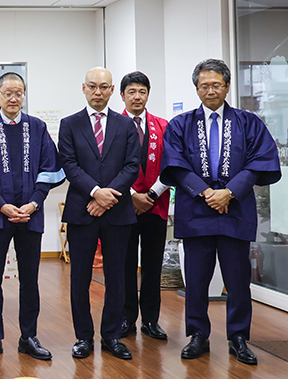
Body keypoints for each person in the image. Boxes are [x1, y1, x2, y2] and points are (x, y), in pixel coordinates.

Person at [160, 59, 280, 365]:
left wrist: (230, 192)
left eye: (216, 84)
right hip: (196, 210)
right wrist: (205, 192)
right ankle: (197, 334)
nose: (210, 90)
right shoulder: (181, 125)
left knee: (238, 280)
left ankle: (238, 337)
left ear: (227, 86)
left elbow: (260, 161)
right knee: (197, 281)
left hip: (235, 210)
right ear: (196, 88)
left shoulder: (248, 122)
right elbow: (174, 164)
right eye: (204, 85)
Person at [0, 72, 65, 362]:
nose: (14, 98)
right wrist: (2, 206)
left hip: (31, 215)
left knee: (30, 279)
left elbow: (48, 170)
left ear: (24, 94)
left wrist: (33, 203)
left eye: (19, 92)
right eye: (8, 93)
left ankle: (28, 336)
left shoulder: (38, 128)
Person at [58, 67, 140, 360]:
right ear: (83, 88)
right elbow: (69, 164)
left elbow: (132, 166)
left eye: (104, 87)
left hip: (117, 212)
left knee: (117, 277)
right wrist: (95, 192)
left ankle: (111, 336)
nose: (98, 92)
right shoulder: (69, 124)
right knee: (79, 277)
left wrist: (107, 198)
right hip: (83, 211)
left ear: (111, 90)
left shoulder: (126, 125)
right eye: (92, 86)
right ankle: (83, 337)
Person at [118, 71, 171, 341]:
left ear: (148, 94)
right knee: (125, 265)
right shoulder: (114, 126)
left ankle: (151, 320)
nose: (137, 97)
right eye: (131, 92)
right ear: (122, 95)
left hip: (156, 205)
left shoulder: (163, 126)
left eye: (142, 91)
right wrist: (131, 196)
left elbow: (172, 166)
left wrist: (150, 195)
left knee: (153, 266)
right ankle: (127, 318)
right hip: (123, 207)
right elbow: (107, 169)